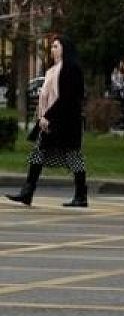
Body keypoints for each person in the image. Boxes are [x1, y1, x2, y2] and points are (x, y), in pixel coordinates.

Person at [5, 34, 88, 208]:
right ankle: (27, 192)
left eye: (56, 46)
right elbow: (47, 96)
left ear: (65, 48)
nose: (53, 50)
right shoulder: (52, 70)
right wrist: (42, 117)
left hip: (65, 122)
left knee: (73, 156)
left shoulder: (71, 68)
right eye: (52, 47)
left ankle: (81, 195)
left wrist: (48, 117)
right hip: (50, 121)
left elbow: (67, 97)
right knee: (38, 154)